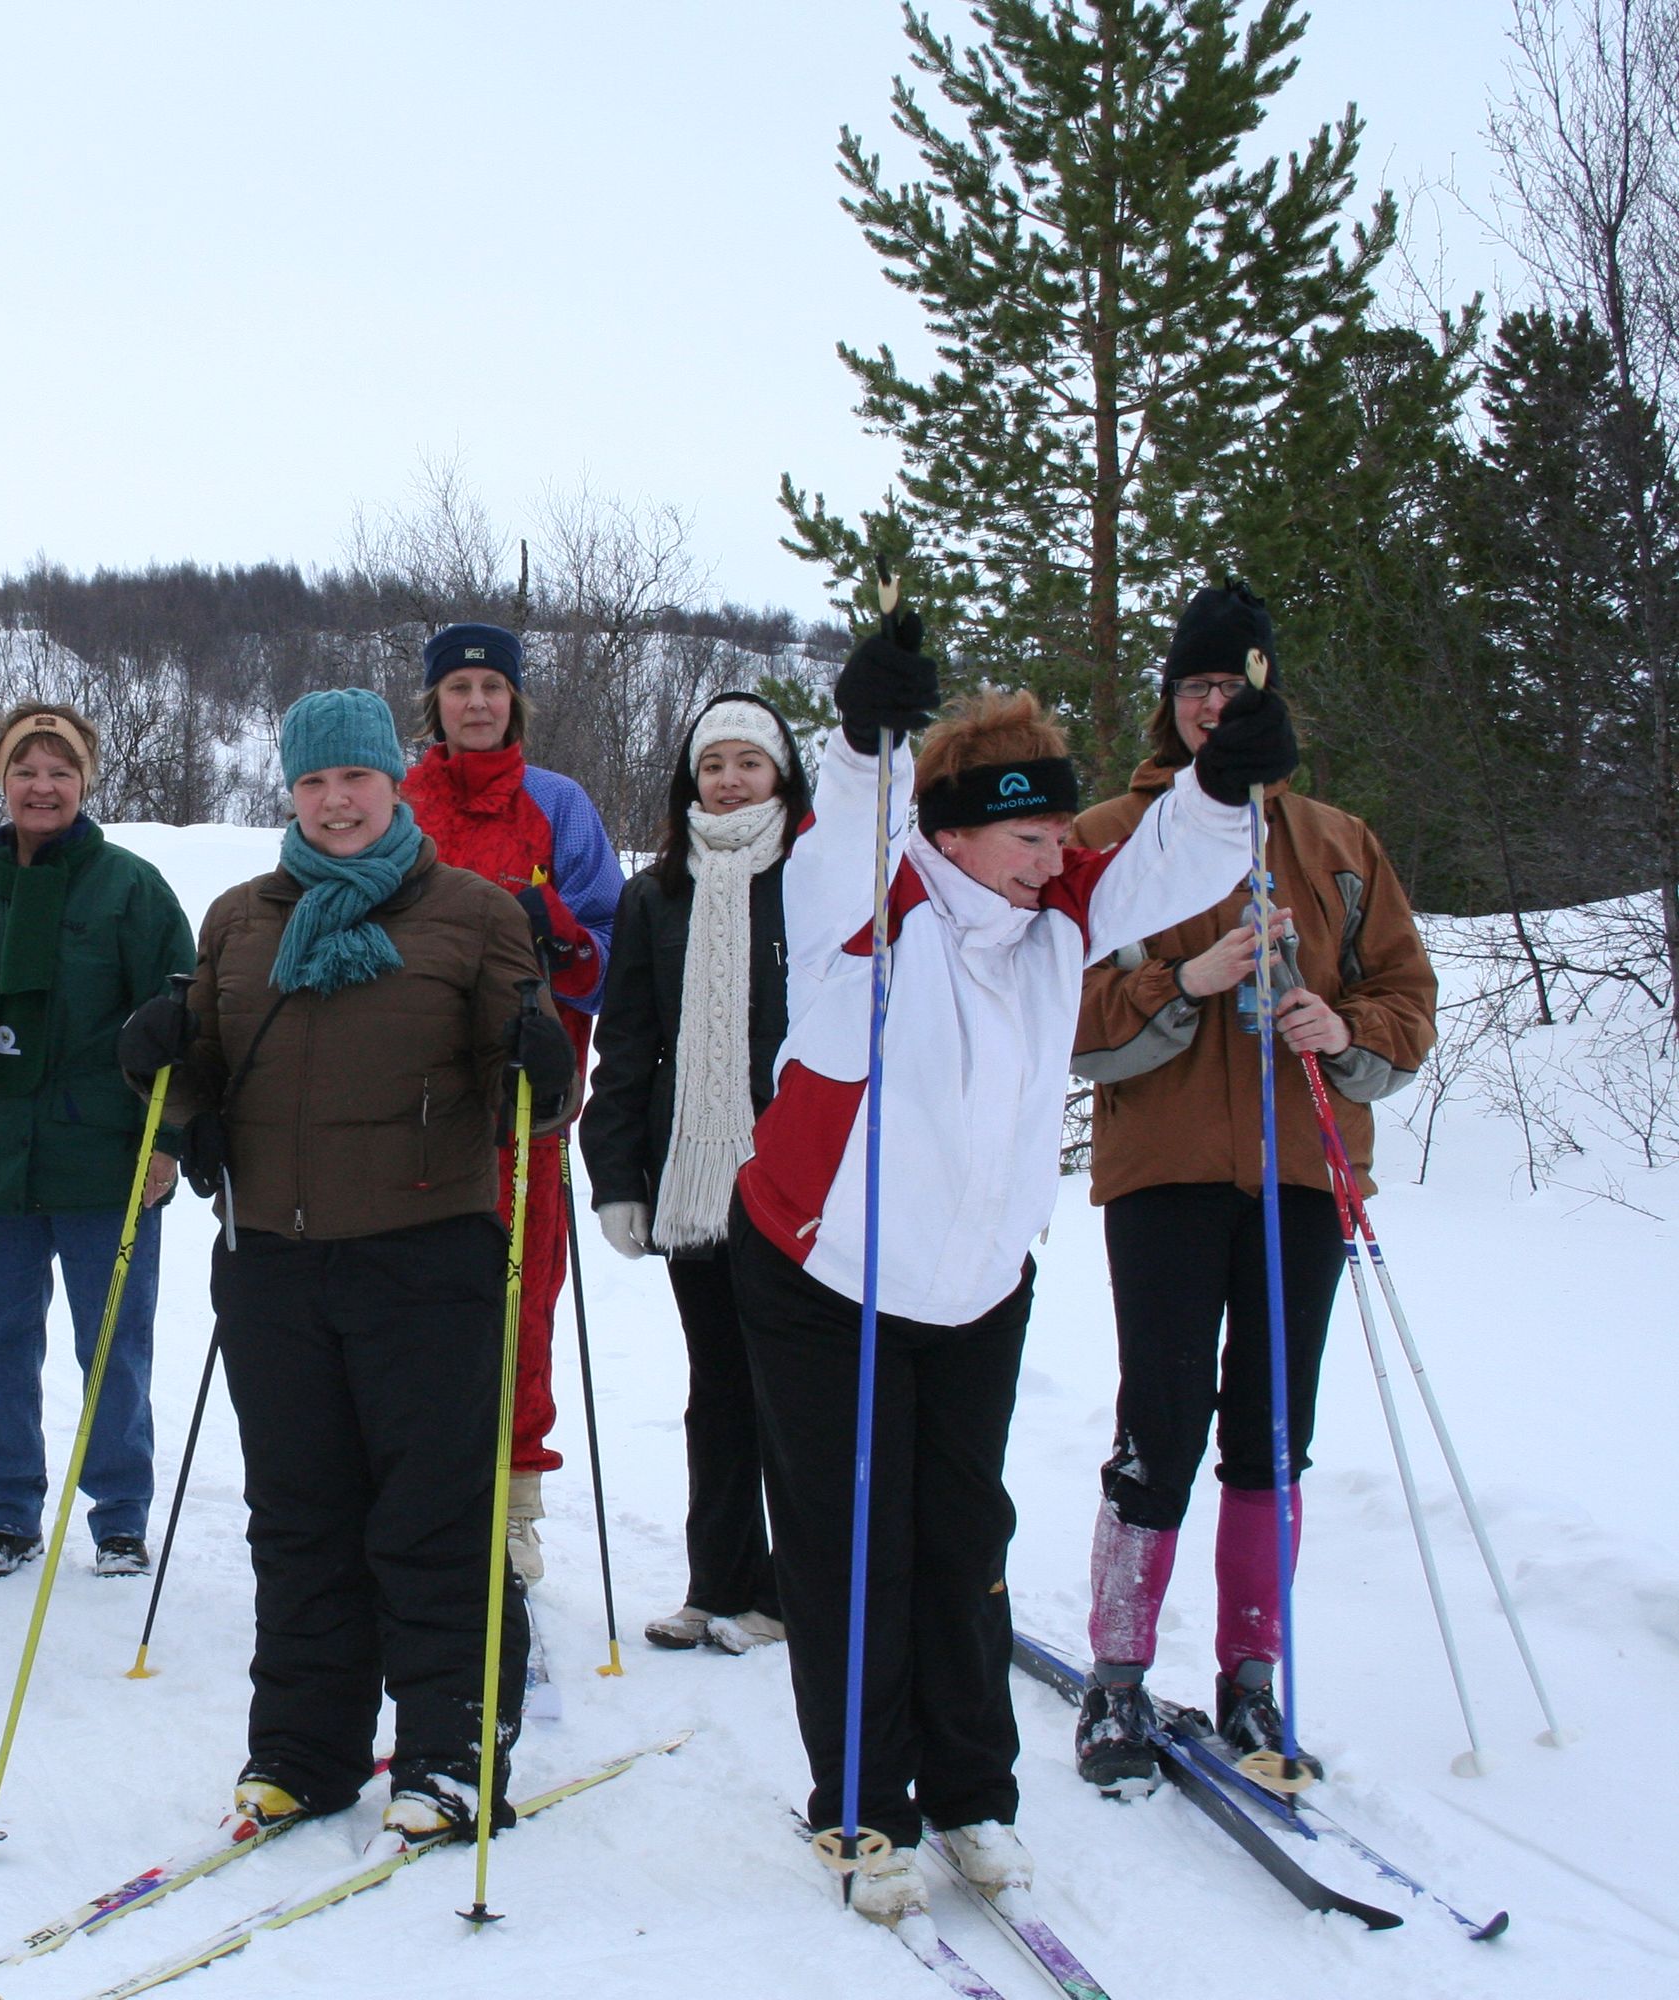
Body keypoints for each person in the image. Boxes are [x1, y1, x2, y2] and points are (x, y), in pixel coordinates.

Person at [730, 610, 1296, 1924]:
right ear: (958, 829)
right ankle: (865, 1805)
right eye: (1031, 835)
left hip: (976, 1282)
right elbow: (857, 829)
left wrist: (1223, 780)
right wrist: (871, 735)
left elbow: (1163, 865)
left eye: (1060, 833)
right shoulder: (876, 905)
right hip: (830, 1277)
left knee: (963, 1534)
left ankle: (975, 1793)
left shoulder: (1062, 911)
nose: (1061, 854)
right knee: (856, 1541)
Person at [117, 687, 575, 1841]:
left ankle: (451, 1747)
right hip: (274, 1259)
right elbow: (207, 1075)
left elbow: (532, 1099)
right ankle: (304, 1748)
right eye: (313, 781)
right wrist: (156, 1060)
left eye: (354, 778)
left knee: (431, 1515)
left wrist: (542, 1056)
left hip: (428, 1256)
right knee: (300, 1514)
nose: (335, 801)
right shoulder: (238, 917)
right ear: (290, 791)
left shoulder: (472, 912)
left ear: (391, 781)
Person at [1068, 585, 1437, 1787]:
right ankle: (1117, 1682)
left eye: (1232, 688)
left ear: (1265, 696)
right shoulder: (1114, 833)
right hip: (1165, 1167)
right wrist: (1185, 978)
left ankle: (1251, 1676)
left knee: (1273, 1428)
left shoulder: (1335, 841)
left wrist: (1341, 1023)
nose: (1213, 707)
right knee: (1160, 1419)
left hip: (1300, 1171)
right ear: (1171, 709)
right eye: (1194, 691)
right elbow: (1062, 1012)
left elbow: (1407, 999)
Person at [0, 701, 196, 1584]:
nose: (41, 785)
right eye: (24, 769)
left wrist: (166, 1143)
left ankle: (119, 1516)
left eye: (59, 770)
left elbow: (183, 1027)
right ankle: (8, 1513)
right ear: (0, 779)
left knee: (113, 1344)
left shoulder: (132, 888)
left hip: (106, 1164)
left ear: (86, 780)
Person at [582, 691, 806, 1655]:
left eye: (747, 763)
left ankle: (796, 1592)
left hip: (798, 1175)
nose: (728, 779)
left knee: (791, 1389)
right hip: (692, 1176)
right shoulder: (655, 894)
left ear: (781, 778)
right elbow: (628, 1045)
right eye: (712, 764)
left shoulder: (817, 882)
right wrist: (618, 1176)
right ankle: (717, 1585)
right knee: (718, 1385)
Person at [399, 622, 623, 1582]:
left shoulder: (558, 805)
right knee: (409, 1292)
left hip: (526, 1094)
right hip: (408, 1094)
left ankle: (516, 1504)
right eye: (460, 688)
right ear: (436, 703)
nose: (478, 702)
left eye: (493, 685)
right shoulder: (396, 801)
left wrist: (554, 926)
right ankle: (417, 1486)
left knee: (522, 1290)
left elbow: (611, 954)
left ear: (515, 698)